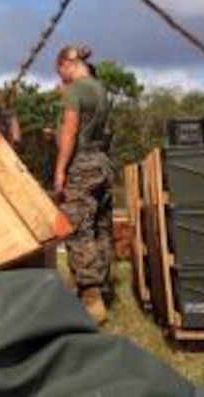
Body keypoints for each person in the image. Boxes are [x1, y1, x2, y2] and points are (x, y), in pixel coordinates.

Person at [52, 44, 113, 325]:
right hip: (102, 161)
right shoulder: (101, 90)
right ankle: (102, 287)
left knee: (78, 228)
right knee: (100, 227)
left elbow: (71, 130)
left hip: (82, 165)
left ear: (67, 64)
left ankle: (91, 300)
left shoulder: (75, 90)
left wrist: (60, 170)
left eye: (60, 71)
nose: (60, 78)